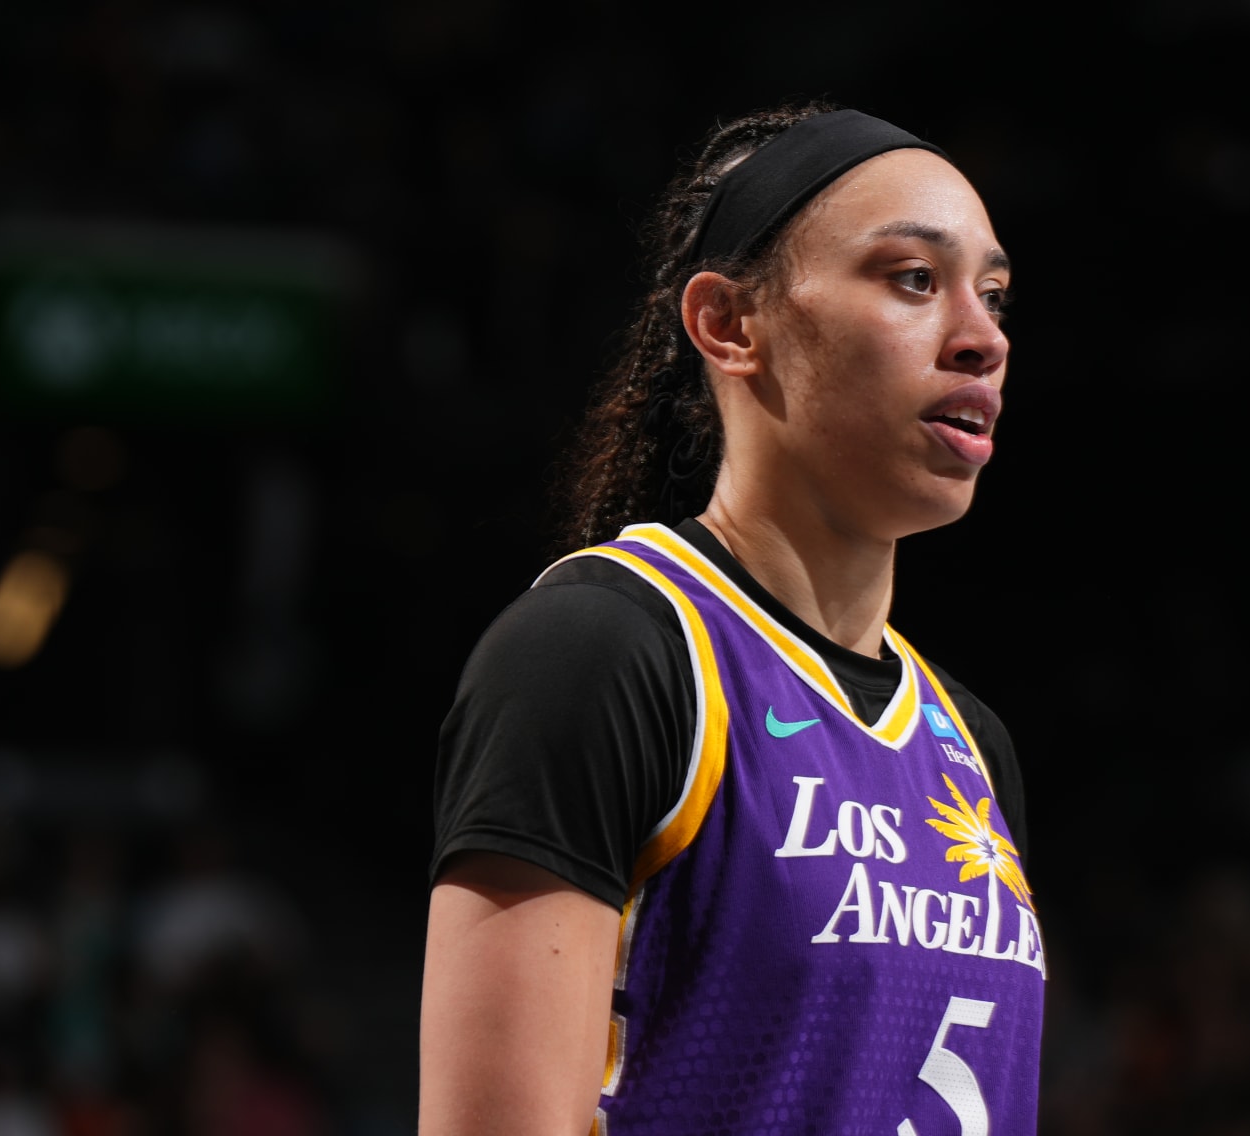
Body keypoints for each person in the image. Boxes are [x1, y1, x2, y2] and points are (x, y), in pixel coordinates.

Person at [420, 102, 1043, 1136]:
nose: (982, 339)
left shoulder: (973, 747)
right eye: (912, 280)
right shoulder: (598, 656)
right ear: (729, 324)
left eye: (995, 296)